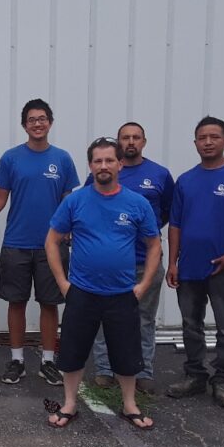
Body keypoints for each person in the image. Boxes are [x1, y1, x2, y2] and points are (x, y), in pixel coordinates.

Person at [45, 137, 160, 430]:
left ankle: (130, 405)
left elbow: (154, 243)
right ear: (91, 165)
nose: (104, 166)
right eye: (98, 161)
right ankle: (70, 404)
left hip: (122, 293)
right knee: (72, 351)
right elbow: (52, 240)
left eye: (110, 160)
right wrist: (62, 282)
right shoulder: (76, 201)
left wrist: (144, 284)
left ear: (120, 164)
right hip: (82, 292)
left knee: (126, 353)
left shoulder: (137, 203)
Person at [0, 98, 79, 385]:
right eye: (32, 119)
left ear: (50, 123)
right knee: (16, 302)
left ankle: (47, 361)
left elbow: (69, 198)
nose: (37, 123)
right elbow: (0, 197)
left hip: (51, 246)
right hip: (16, 243)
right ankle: (16, 360)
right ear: (24, 125)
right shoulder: (11, 158)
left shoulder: (63, 159)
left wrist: (69, 226)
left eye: (42, 118)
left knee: (49, 304)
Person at [166, 116, 224, 408]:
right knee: (191, 324)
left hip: (223, 267)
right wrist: (172, 262)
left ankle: (222, 379)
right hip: (190, 266)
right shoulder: (185, 180)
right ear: (195, 143)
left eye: (214, 137)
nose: (208, 142)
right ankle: (195, 375)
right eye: (202, 138)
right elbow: (175, 224)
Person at [87, 122, 174, 394]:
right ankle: (104, 369)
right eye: (125, 138)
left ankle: (143, 370)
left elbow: (168, 213)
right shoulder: (103, 173)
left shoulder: (160, 174)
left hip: (144, 261)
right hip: (110, 266)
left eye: (136, 137)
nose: (131, 142)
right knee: (104, 318)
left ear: (144, 142)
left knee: (143, 318)